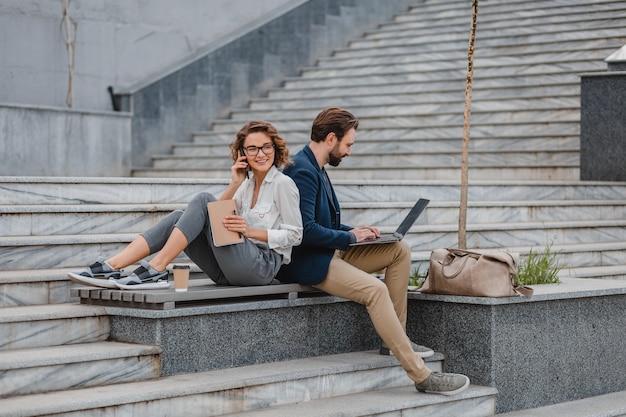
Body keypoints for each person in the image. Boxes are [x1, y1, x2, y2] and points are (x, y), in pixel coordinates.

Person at [276, 107, 470, 396]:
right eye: (348, 144)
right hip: (310, 261)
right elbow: (304, 231)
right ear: (331, 138)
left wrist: (359, 232)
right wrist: (348, 237)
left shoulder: (315, 166)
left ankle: (395, 339)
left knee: (398, 250)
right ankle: (421, 375)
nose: (349, 152)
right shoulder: (302, 170)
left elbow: (322, 222)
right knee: (375, 291)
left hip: (328, 250)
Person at [69, 120, 303, 289]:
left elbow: (296, 235)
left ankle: (156, 268)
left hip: (260, 267)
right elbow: (212, 218)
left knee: (203, 199)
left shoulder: (283, 184)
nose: (261, 153)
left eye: (266, 147)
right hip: (226, 271)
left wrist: (251, 232)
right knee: (178, 216)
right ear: (243, 154)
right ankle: (113, 265)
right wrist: (234, 183)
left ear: (275, 149)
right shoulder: (246, 185)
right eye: (252, 148)